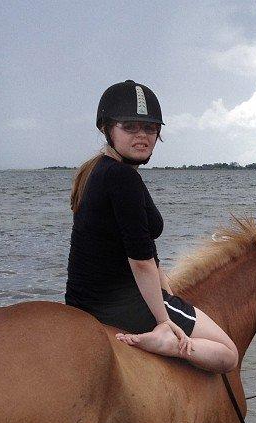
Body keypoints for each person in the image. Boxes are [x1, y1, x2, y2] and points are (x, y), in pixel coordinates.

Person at [66, 80, 238, 373]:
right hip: (121, 304)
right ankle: (169, 346)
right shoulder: (123, 178)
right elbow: (141, 262)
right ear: (107, 128)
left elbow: (145, 248)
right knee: (227, 354)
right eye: (130, 127)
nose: (142, 136)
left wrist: (169, 293)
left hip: (83, 300)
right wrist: (163, 322)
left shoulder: (97, 170)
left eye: (150, 128)